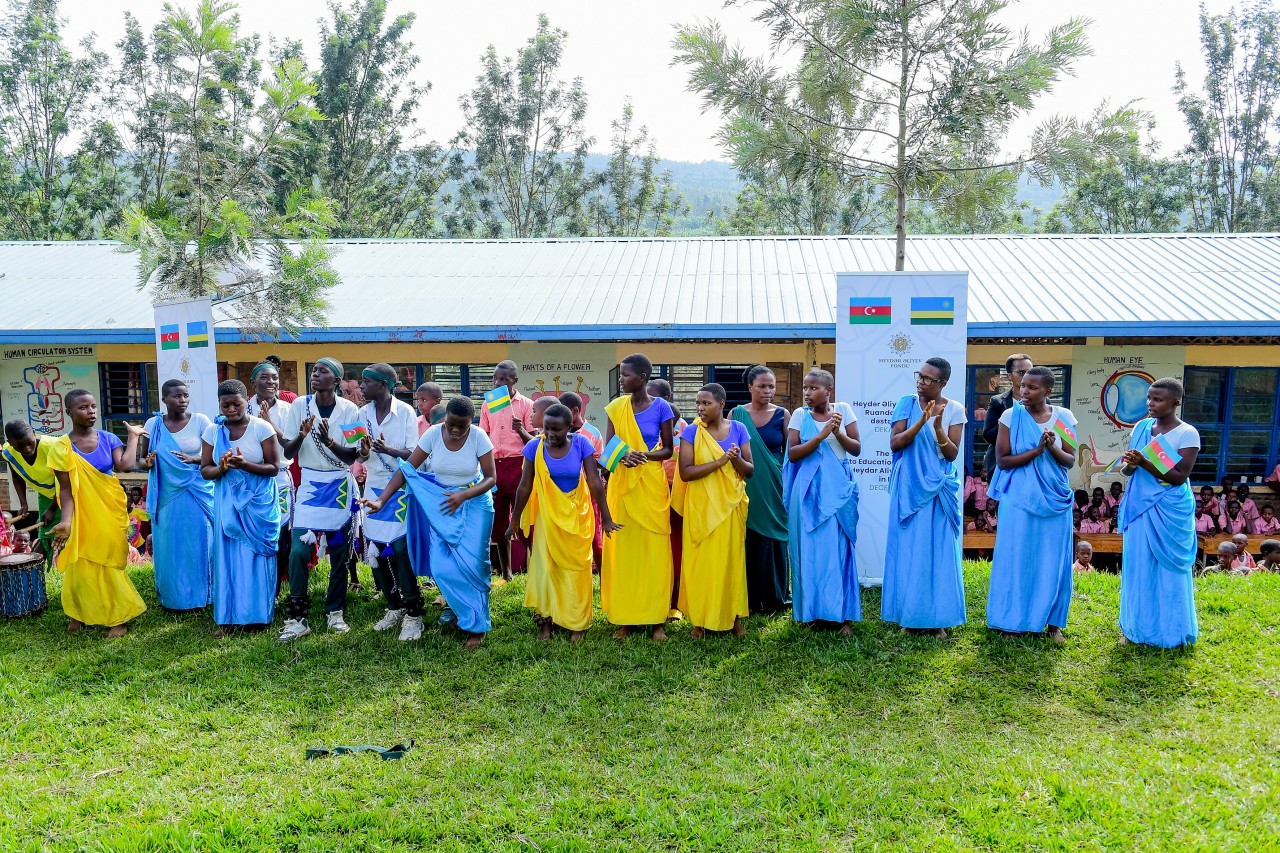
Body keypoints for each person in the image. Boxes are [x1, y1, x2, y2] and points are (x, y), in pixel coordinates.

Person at [364, 396, 497, 649]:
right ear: (445, 418)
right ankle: (460, 607)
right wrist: (381, 500)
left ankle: (476, 625)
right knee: (441, 567)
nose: (456, 430)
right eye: (451, 424)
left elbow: (490, 478)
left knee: (474, 567)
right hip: (442, 504)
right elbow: (407, 469)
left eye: (462, 426)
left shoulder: (479, 436)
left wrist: (463, 495)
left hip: (475, 502)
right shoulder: (434, 434)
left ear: (472, 422)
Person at [507, 403, 618, 641]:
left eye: (556, 429)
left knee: (577, 569)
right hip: (548, 518)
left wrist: (606, 518)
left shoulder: (581, 444)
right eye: (547, 428)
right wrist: (514, 520)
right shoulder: (534, 447)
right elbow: (525, 485)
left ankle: (576, 622)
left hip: (577, 516)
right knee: (547, 569)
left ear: (569, 427)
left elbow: (594, 481)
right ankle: (546, 622)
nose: (551, 434)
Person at [986, 366, 1077, 642]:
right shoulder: (1010, 415)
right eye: (1023, 385)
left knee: (1052, 560)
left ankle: (1053, 624)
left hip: (1054, 499)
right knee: (1017, 558)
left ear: (1048, 391)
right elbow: (1002, 460)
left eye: (1032, 387)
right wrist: (1036, 450)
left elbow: (1070, 460)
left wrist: (1051, 448)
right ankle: (1011, 622)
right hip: (1019, 499)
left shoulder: (1064, 417)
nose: (1024, 391)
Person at [48, 390, 147, 638]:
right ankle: (79, 613)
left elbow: (125, 465)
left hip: (108, 510)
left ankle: (118, 617)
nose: (91, 411)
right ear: (69, 412)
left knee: (108, 560)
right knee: (80, 560)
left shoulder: (108, 437)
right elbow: (67, 491)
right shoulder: (61, 447)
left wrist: (133, 436)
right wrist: (66, 522)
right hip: (81, 513)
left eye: (93, 406)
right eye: (83, 407)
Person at [277, 358, 363, 641]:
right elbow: (289, 453)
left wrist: (329, 442)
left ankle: (335, 611)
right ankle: (297, 615)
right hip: (312, 484)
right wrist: (302, 435)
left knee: (339, 554)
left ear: (336, 380)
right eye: (314, 370)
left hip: (338, 484)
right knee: (300, 551)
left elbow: (354, 456)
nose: (315, 374)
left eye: (323, 371)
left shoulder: (351, 410)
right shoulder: (299, 406)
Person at [883, 358, 968, 638]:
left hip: (938, 488)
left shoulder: (955, 409)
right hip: (908, 486)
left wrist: (939, 425)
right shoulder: (905, 403)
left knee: (938, 551)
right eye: (919, 376)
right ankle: (909, 617)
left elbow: (952, 454)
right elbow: (896, 443)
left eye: (929, 379)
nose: (921, 382)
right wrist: (921, 421)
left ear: (942, 383)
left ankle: (938, 619)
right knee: (909, 551)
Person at [1116, 377, 1200, 648]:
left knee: (1168, 571)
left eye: (1158, 399)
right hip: (1141, 505)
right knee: (1138, 567)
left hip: (1169, 508)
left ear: (1175, 403)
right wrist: (1129, 464)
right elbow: (1130, 471)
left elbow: (1179, 476)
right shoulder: (1141, 427)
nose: (1150, 403)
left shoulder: (1187, 433)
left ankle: (1172, 632)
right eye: (1149, 398)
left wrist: (1145, 462)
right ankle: (1135, 629)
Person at [602, 354, 676, 642]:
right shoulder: (615, 407)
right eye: (621, 374)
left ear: (643, 378)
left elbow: (668, 449)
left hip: (651, 485)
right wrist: (623, 454)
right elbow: (609, 448)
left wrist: (642, 455)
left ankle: (657, 619)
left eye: (626, 375)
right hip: (621, 483)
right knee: (626, 553)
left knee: (654, 552)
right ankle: (626, 618)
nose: (621, 379)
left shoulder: (662, 408)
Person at [199, 380, 282, 636]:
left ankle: (257, 617)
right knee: (229, 560)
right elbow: (205, 470)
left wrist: (244, 465)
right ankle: (228, 618)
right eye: (226, 405)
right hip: (227, 504)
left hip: (257, 504)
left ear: (247, 401)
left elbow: (273, 468)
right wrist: (222, 468)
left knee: (255, 559)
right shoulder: (213, 432)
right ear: (219, 405)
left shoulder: (261, 428)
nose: (232, 409)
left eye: (237, 403)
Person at [782, 368, 861, 632]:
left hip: (838, 488)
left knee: (838, 551)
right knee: (810, 552)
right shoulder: (799, 415)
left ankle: (841, 615)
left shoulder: (844, 410)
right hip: (807, 491)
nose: (807, 393)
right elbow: (793, 454)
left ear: (829, 391)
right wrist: (820, 435)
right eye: (805, 387)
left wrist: (837, 432)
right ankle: (812, 613)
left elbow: (856, 449)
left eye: (814, 388)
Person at [673, 383, 753, 638]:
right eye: (698, 403)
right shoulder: (692, 432)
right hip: (702, 506)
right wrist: (720, 461)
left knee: (731, 561)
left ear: (721, 404)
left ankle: (733, 617)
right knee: (702, 563)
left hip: (730, 506)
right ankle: (700, 620)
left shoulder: (738, 429)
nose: (700, 408)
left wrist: (736, 457)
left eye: (706, 403)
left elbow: (749, 470)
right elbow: (686, 472)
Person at [356, 363, 427, 641]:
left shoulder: (406, 412)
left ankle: (413, 610)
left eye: (366, 382)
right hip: (373, 486)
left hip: (398, 486)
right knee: (376, 547)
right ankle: (393, 605)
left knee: (399, 547)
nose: (361, 387)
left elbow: (413, 452)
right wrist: (362, 452)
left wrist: (387, 449)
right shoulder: (362, 414)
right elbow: (358, 456)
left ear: (383, 385)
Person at [138, 380, 215, 611]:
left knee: (200, 543)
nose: (182, 400)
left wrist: (193, 459)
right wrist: (147, 463)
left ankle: (203, 596)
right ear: (164, 399)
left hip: (197, 492)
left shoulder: (201, 421)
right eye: (176, 396)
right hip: (167, 494)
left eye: (185, 395)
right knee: (170, 545)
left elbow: (216, 455)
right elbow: (141, 460)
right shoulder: (153, 424)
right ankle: (174, 598)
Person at [731, 366, 790, 615]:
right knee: (749, 538)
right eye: (762, 386)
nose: (768, 391)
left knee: (775, 538)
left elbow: (790, 452)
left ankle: (776, 596)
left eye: (771, 386)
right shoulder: (736, 414)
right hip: (747, 483)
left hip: (775, 484)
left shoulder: (783, 414)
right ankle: (750, 598)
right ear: (750, 388)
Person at [480, 361, 534, 583]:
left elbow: (533, 441)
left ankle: (535, 571)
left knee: (525, 520)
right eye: (496, 379)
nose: (498, 383)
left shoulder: (527, 405)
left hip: (519, 465)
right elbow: (484, 436)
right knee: (499, 522)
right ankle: (506, 572)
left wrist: (519, 429)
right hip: (495, 466)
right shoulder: (488, 405)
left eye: (504, 379)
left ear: (515, 381)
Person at [246, 361, 294, 596]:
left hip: (280, 480)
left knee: (281, 533)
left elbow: (290, 447)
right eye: (265, 378)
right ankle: (254, 583)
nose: (272, 382)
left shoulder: (288, 410)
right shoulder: (242, 408)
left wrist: (269, 425)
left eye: (275, 378)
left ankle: (275, 588)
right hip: (250, 481)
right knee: (252, 533)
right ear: (252, 383)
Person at [647, 377, 688, 615]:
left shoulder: (684, 427)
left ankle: (675, 602)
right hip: (651, 491)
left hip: (676, 492)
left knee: (675, 546)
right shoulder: (644, 425)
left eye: (655, 397)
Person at [3, 420, 61, 566]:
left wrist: (52, 509)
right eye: (20, 446)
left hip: (70, 492)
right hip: (46, 494)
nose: (27, 448)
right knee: (45, 533)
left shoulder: (53, 446)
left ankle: (33, 568)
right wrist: (23, 502)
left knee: (65, 530)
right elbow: (16, 475)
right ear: (9, 442)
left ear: (34, 433)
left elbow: (66, 483)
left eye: (30, 442)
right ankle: (34, 571)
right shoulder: (8, 452)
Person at [559, 391, 605, 572]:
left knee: (595, 535)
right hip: (564, 493)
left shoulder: (592, 434)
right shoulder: (557, 432)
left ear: (575, 411)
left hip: (588, 491)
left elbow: (601, 463)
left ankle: (602, 574)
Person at [981, 354, 1032, 479]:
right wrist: (1011, 417)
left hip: (1033, 463)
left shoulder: (1044, 402)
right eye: (1021, 372)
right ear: (1009, 376)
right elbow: (988, 435)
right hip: (1003, 467)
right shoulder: (997, 401)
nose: (1027, 376)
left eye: (1030, 372)